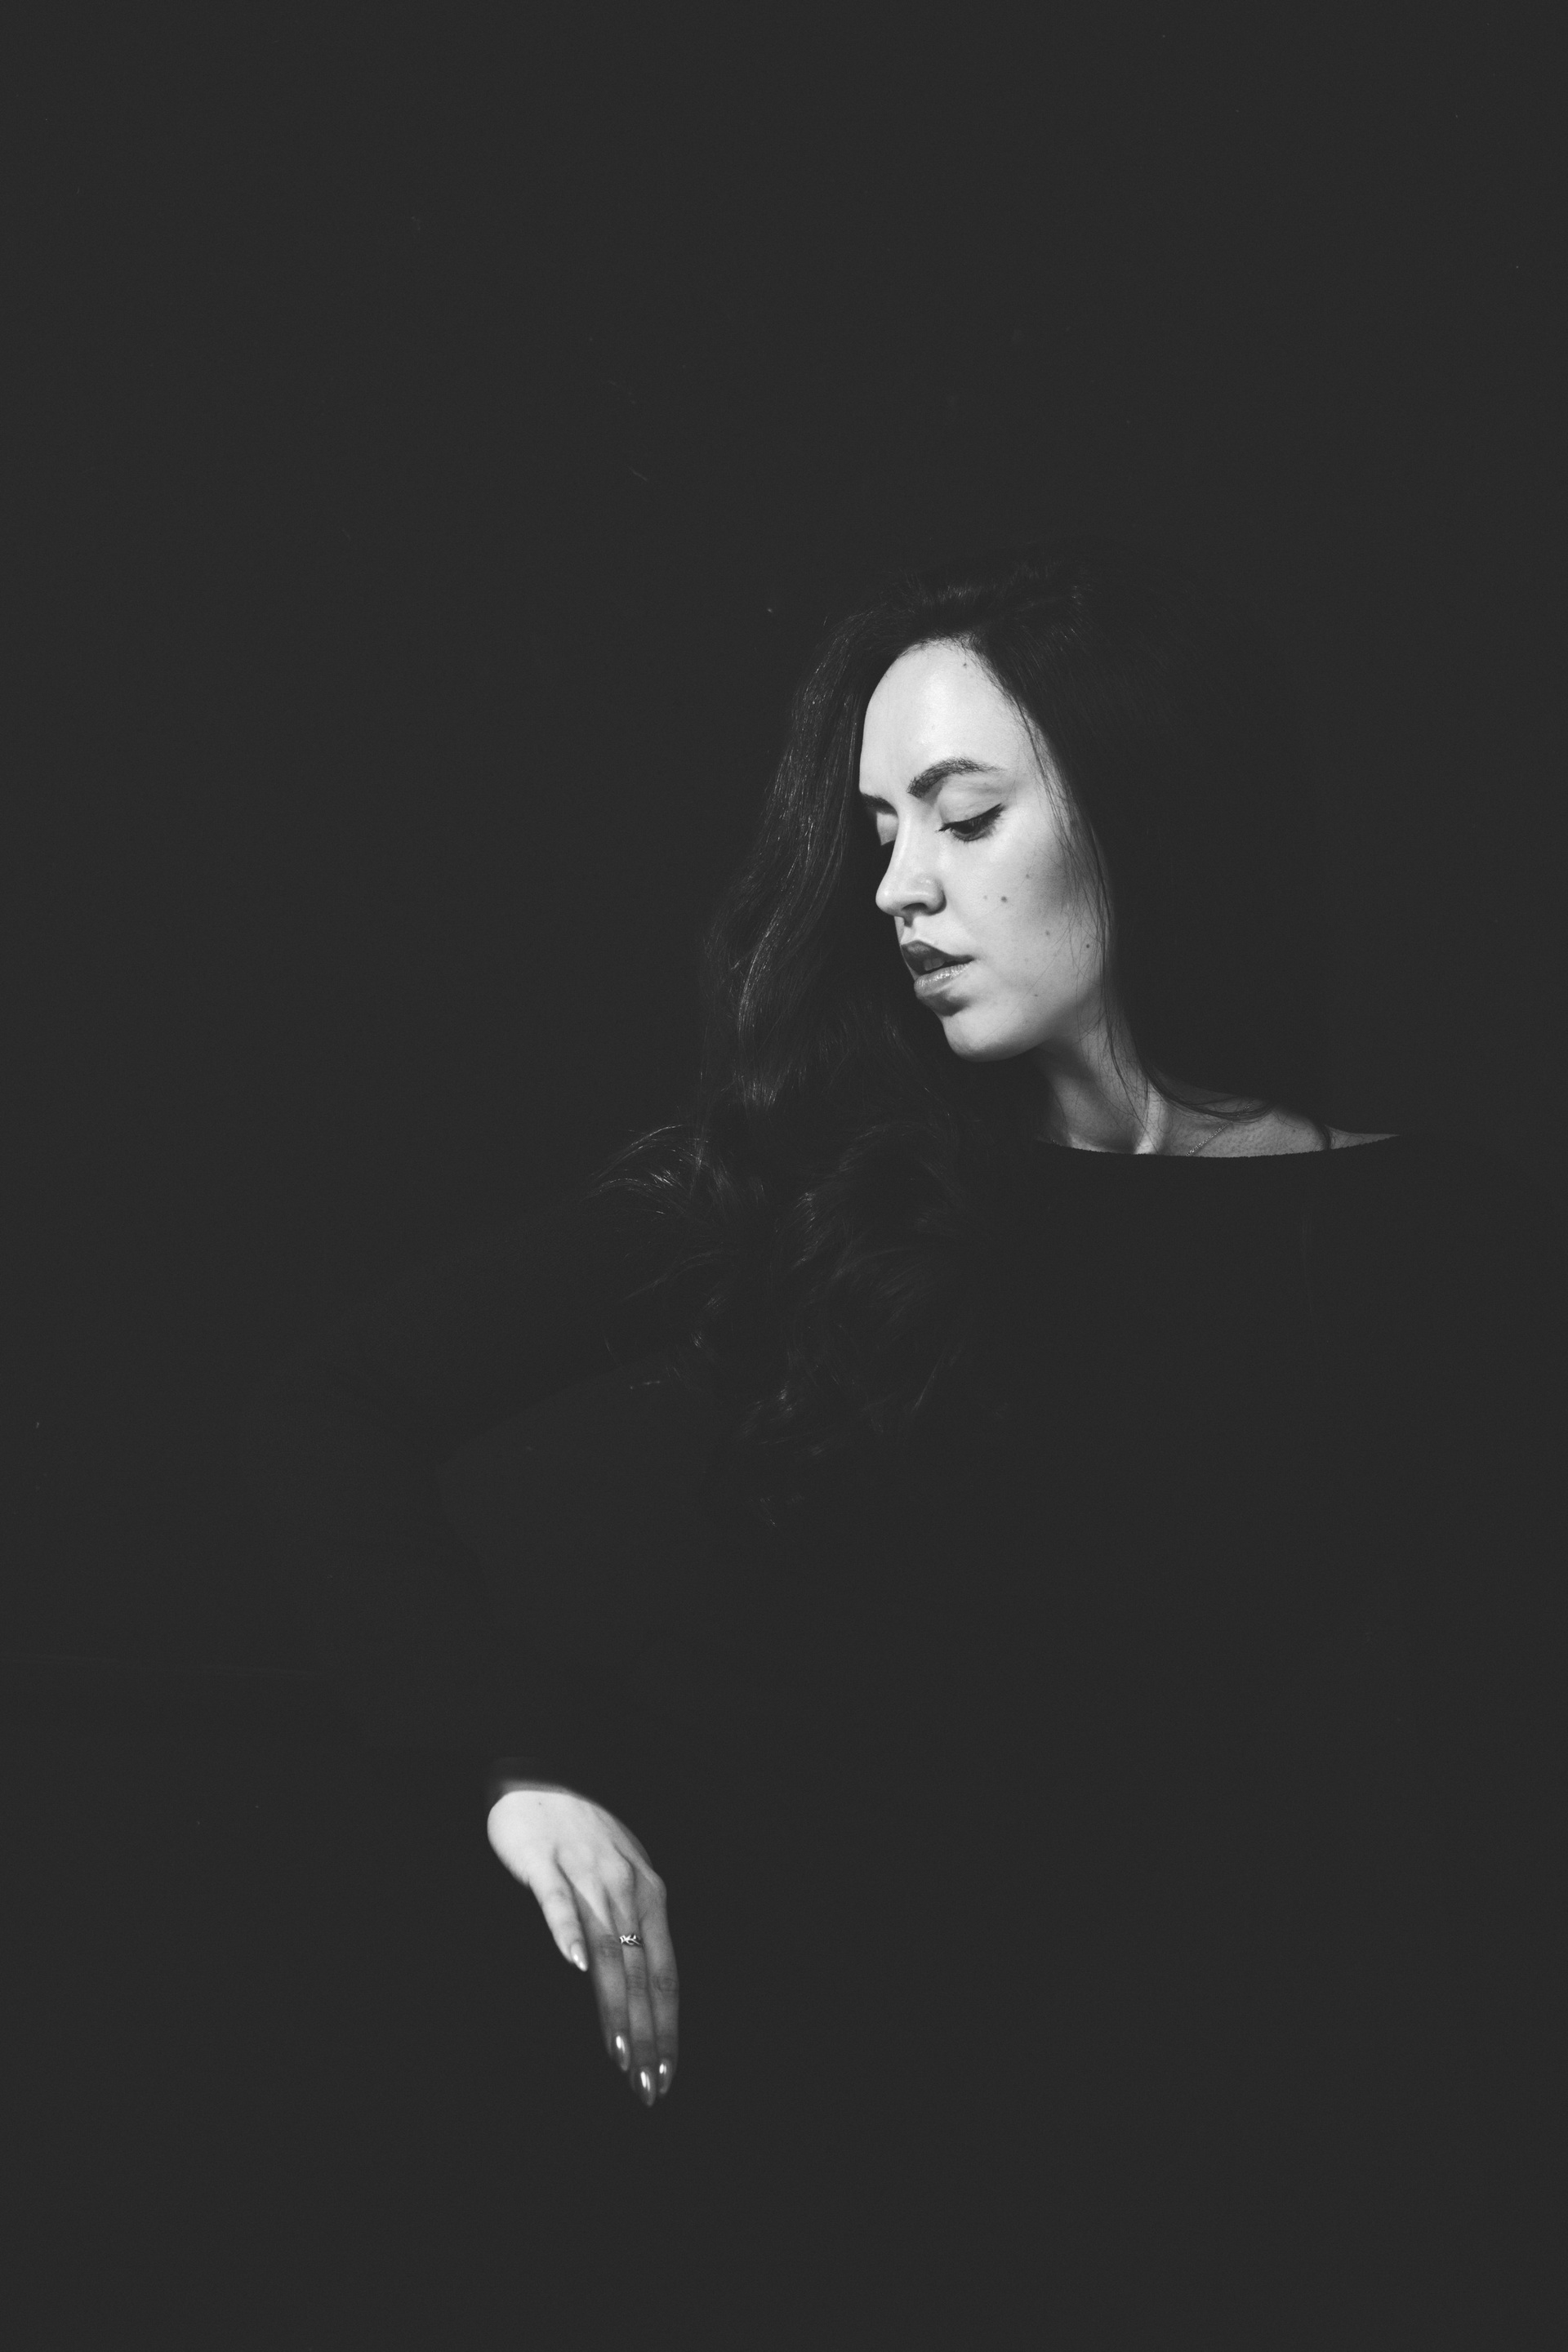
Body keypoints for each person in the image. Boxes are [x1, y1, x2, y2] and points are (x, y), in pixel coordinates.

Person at [243, 538, 1563, 2341]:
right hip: (756, 2101)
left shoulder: (1432, 1244)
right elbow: (335, 1407)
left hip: (1177, 2147)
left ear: (1146, 805)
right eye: (878, 830)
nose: (897, 890)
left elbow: (1496, 1733)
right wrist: (516, 1766)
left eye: (963, 813)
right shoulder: (828, 1184)